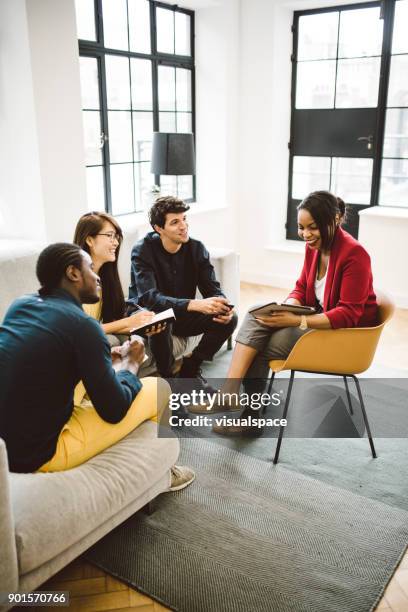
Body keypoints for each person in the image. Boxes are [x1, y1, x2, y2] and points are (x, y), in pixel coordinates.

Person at [0, 242, 194, 490]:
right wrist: (131, 364)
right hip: (37, 454)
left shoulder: (21, 305)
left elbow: (47, 363)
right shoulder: (83, 326)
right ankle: (163, 473)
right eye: (91, 268)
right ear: (73, 273)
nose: (97, 276)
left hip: (6, 440)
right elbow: (114, 410)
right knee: (159, 388)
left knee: (107, 378)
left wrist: (103, 362)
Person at [190, 190, 378, 434]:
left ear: (334, 221)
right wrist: (286, 306)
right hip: (319, 319)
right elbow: (301, 287)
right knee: (257, 313)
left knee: (262, 345)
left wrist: (297, 319)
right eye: (301, 228)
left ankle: (249, 415)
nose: (306, 235)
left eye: (313, 227)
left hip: (345, 336)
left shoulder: (355, 254)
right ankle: (232, 394)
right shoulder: (315, 247)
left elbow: (348, 314)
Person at [129, 196, 238, 386]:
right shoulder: (142, 251)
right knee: (161, 319)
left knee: (231, 319)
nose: (183, 226)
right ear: (158, 228)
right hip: (149, 316)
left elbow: (212, 288)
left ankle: (191, 368)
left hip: (183, 315)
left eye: (184, 219)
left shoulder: (196, 249)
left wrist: (223, 305)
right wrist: (194, 304)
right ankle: (169, 381)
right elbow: (151, 299)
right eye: (175, 222)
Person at [73, 211, 159, 338]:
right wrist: (128, 322)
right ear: (89, 240)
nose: (116, 243)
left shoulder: (104, 279)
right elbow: (77, 330)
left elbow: (108, 323)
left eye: (116, 237)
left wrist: (139, 328)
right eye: (110, 235)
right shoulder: (73, 280)